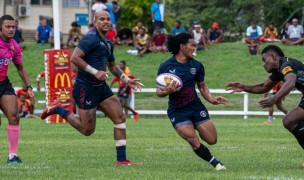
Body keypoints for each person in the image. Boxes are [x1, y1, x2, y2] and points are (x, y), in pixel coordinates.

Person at [40, 10, 143, 166]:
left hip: (100, 87)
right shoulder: (90, 38)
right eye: (102, 19)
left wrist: (127, 79)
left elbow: (113, 66)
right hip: (85, 88)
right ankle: (58, 109)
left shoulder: (108, 42)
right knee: (87, 130)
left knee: (120, 118)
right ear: (95, 22)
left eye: (108, 19)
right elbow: (75, 58)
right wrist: (95, 72)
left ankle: (121, 160)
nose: (106, 22)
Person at [156, 32, 227, 171]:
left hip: (195, 107)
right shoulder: (166, 66)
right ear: (182, 46)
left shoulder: (197, 65)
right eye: (192, 45)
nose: (195, 48)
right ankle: (216, 163)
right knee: (192, 139)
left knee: (212, 140)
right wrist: (167, 92)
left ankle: (196, 125)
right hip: (177, 111)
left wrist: (211, 99)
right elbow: (158, 91)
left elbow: (202, 86)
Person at [226, 45, 304, 166]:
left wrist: (274, 98)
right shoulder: (279, 70)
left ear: (273, 57)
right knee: (290, 121)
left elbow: (290, 81)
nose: (263, 64)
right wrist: (244, 87)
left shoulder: (286, 65)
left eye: (264, 60)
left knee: (290, 120)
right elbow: (264, 87)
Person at [0, 15, 35, 163]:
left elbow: (20, 68)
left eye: (13, 26)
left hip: (3, 83)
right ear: (0, 28)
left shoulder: (14, 45)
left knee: (14, 116)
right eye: (8, 26)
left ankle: (12, 157)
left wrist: (29, 87)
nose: (11, 29)